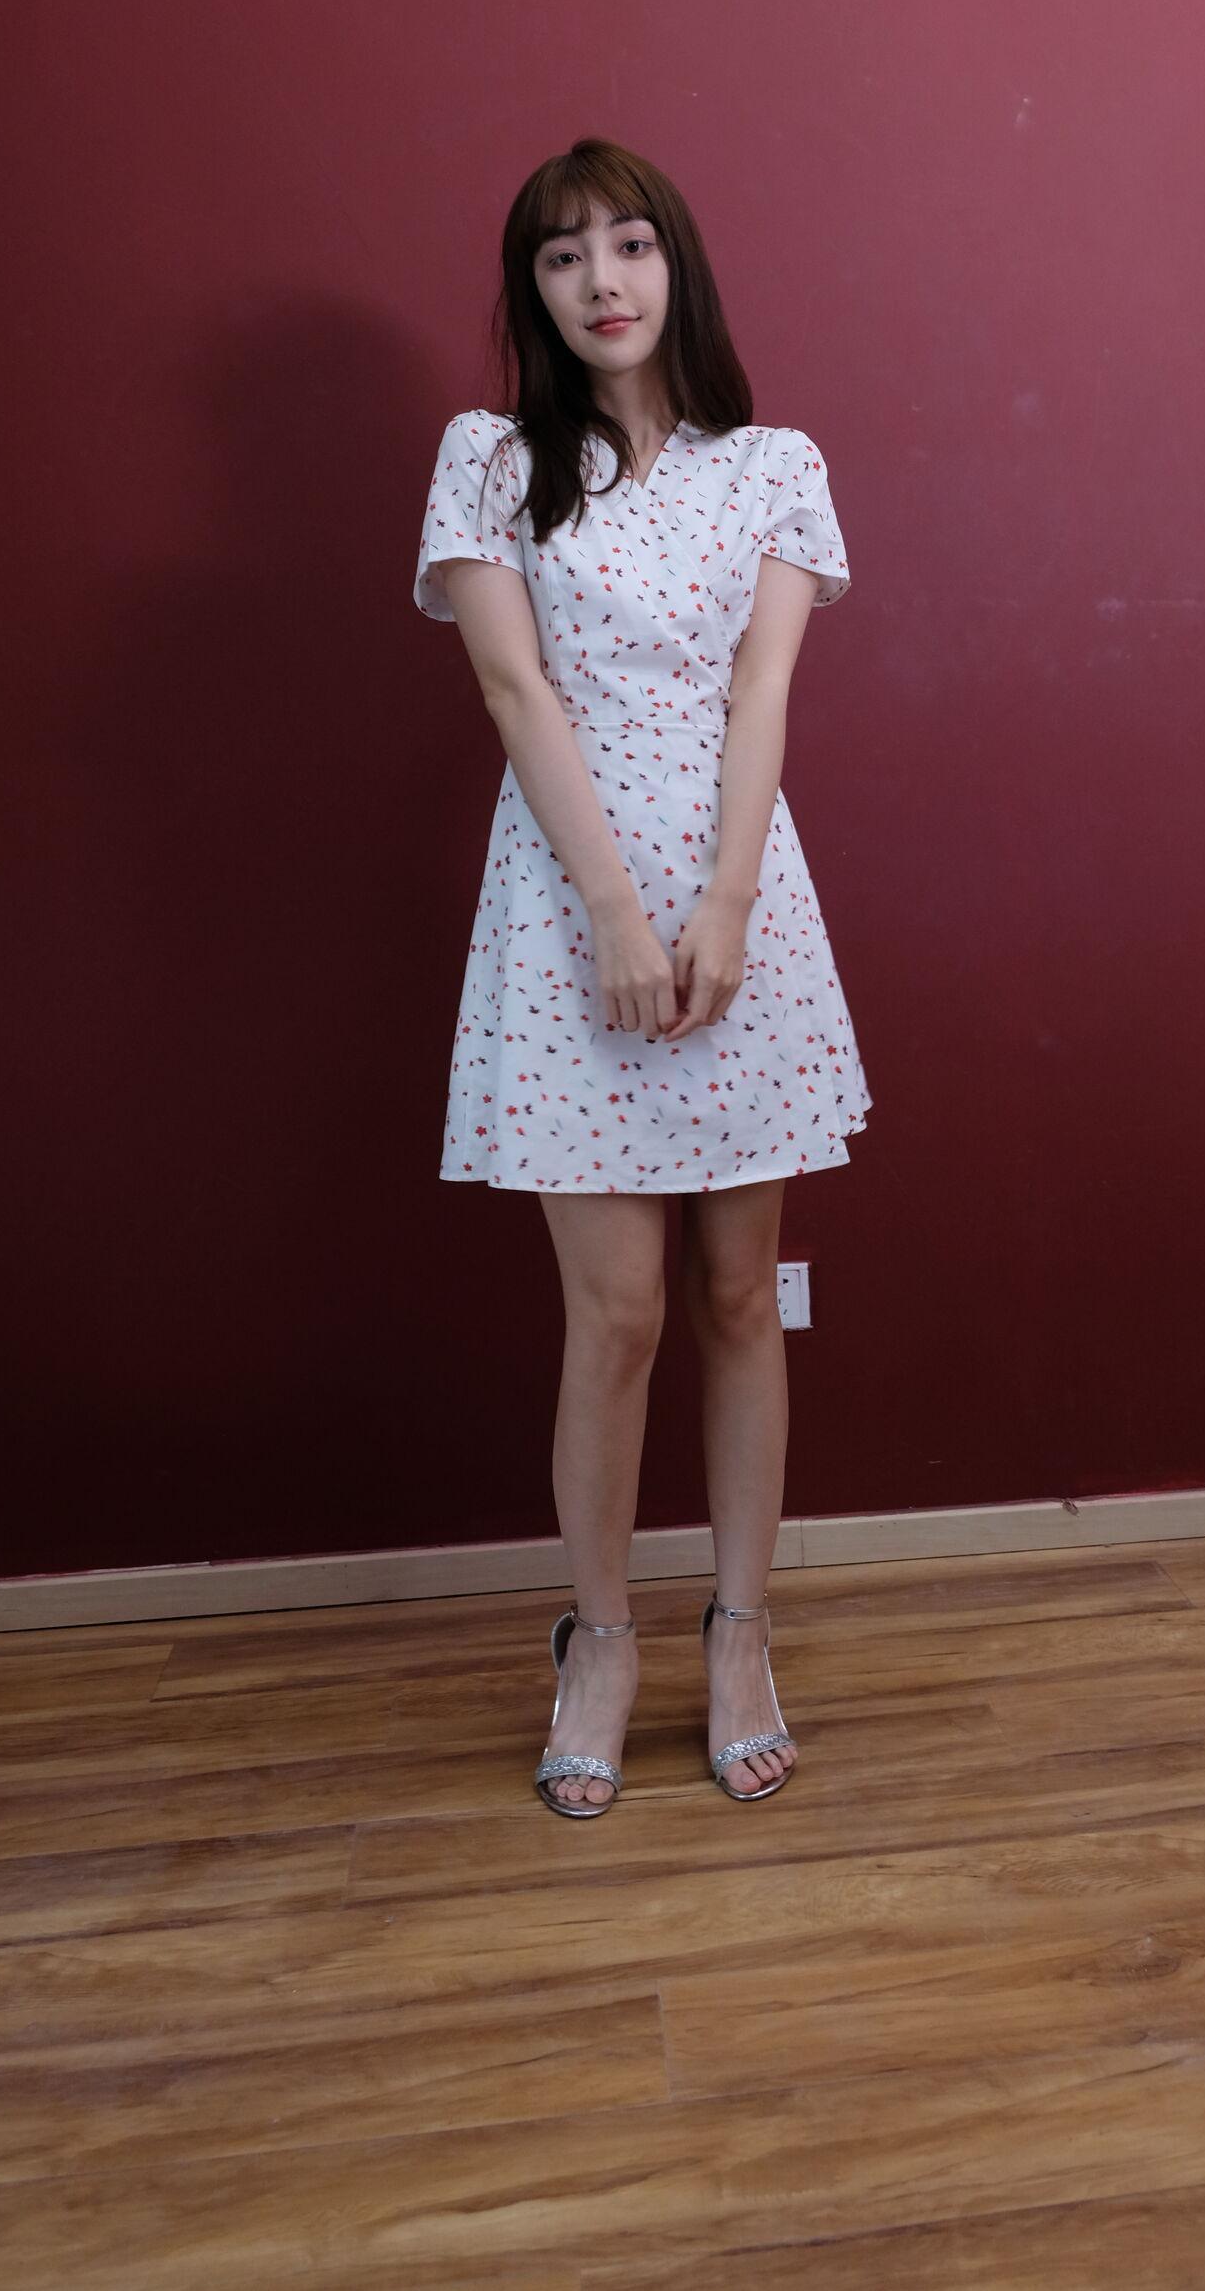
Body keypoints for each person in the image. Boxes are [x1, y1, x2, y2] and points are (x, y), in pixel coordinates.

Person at [413, 138, 871, 1818]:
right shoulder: (487, 459)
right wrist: (613, 910)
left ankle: (740, 1633)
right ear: (530, 290)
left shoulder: (775, 467)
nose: (600, 281)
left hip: (743, 906)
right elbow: (513, 693)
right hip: (566, 914)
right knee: (613, 1316)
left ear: (678, 264)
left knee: (741, 1296)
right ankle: (598, 1640)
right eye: (560, 257)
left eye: (627, 245)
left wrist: (726, 905)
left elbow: (763, 695)